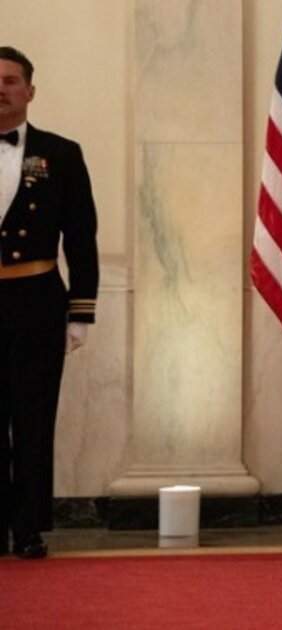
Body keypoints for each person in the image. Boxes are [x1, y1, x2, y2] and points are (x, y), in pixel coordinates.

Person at [0, 46, 98, 559]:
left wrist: (80, 312)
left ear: (30, 91)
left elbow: (81, 238)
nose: (1, 89)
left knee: (34, 416)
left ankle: (28, 528)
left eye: (10, 81)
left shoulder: (61, 154)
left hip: (36, 298)